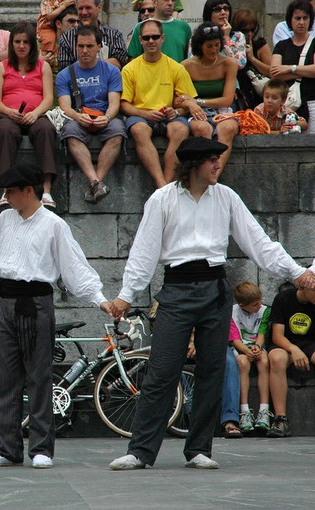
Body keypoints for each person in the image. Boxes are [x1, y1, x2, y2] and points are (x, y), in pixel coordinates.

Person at [108, 137, 315, 471]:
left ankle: (199, 448)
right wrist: (126, 294)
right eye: (211, 160)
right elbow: (143, 251)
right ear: (193, 165)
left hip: (214, 289)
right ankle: (141, 451)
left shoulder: (226, 197)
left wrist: (296, 272)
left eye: (219, 159)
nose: (218, 164)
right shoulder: (163, 199)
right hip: (176, 288)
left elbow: (258, 242)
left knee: (212, 370)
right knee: (161, 370)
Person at [0, 162, 110, 469]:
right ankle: (8, 447)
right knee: (3, 376)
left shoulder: (54, 225)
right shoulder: (5, 219)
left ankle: (41, 447)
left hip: (36, 303)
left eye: (10, 191)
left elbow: (74, 267)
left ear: (28, 191)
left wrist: (99, 298)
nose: (6, 197)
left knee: (38, 376)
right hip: (6, 302)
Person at [121, 19, 199, 188]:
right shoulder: (129, 69)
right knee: (139, 130)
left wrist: (176, 112)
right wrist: (144, 114)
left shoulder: (176, 67)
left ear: (162, 38)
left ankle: (167, 183)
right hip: (141, 116)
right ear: (140, 40)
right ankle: (161, 184)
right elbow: (124, 105)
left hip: (169, 116)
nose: (151, 41)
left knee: (181, 130)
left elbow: (188, 101)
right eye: (146, 37)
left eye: (155, 37)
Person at [56, 25, 125, 204]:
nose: (85, 50)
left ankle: (95, 182)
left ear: (99, 47)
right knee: (69, 131)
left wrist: (107, 117)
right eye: (80, 46)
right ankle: (96, 182)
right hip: (79, 117)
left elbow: (114, 103)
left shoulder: (112, 71)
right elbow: (64, 106)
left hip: (104, 115)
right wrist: (77, 116)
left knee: (118, 130)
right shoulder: (65, 74)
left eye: (89, 46)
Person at [0, 22, 56, 208]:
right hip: (8, 115)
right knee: (5, 130)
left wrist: (35, 113)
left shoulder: (43, 66)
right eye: (17, 41)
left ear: (32, 45)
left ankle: (46, 190)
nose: (21, 46)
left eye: (25, 42)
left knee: (46, 129)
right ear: (11, 44)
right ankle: (6, 190)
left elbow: (48, 98)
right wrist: (9, 112)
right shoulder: (1, 67)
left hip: (36, 115)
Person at [180, 23, 239, 173]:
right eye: (209, 46)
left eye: (217, 45)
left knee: (228, 128)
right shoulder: (186, 66)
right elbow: (181, 97)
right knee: (202, 128)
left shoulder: (229, 63)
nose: (214, 50)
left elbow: (227, 100)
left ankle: (215, 175)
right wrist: (191, 104)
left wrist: (198, 101)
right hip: (197, 112)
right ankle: (204, 173)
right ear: (200, 46)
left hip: (223, 110)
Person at [267, 268, 315, 438]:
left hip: (311, 343)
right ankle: (280, 419)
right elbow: (277, 336)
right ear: (307, 287)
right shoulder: (284, 299)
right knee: (277, 358)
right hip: (286, 343)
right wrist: (294, 349)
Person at [228, 281, 273, 434]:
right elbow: (235, 339)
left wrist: (257, 347)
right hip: (240, 347)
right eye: (255, 305)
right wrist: (246, 351)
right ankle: (244, 410)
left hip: (256, 346)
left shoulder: (264, 311)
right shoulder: (232, 312)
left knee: (264, 361)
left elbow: (262, 333)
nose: (259, 306)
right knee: (242, 363)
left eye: (260, 302)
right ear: (242, 305)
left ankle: (264, 410)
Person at [271, 0, 315, 132]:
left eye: (305, 18)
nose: (301, 22)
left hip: (312, 101)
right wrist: (305, 71)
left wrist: (290, 68)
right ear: (290, 20)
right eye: (297, 18)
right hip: (288, 104)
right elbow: (275, 73)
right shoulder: (281, 46)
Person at [56, 0, 128, 71]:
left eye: (88, 8)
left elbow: (119, 63)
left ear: (99, 8)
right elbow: (65, 71)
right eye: (80, 8)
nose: (84, 12)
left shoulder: (114, 35)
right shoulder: (67, 38)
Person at [233, 8, 273, 109]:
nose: (250, 34)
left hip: (258, 96)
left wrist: (252, 58)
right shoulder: (230, 47)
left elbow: (272, 72)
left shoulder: (260, 45)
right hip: (238, 95)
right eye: (245, 31)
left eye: (252, 30)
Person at [190, 1, 247, 69]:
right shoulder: (199, 35)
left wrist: (226, 38)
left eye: (226, 8)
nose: (223, 12)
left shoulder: (238, 36)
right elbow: (192, 62)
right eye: (217, 9)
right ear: (209, 13)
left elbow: (240, 64)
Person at [37, 0, 74, 68]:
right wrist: (40, 61)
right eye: (71, 21)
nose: (76, 25)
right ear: (58, 24)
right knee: (48, 40)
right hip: (46, 27)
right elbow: (49, 17)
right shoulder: (47, 2)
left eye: (78, 21)